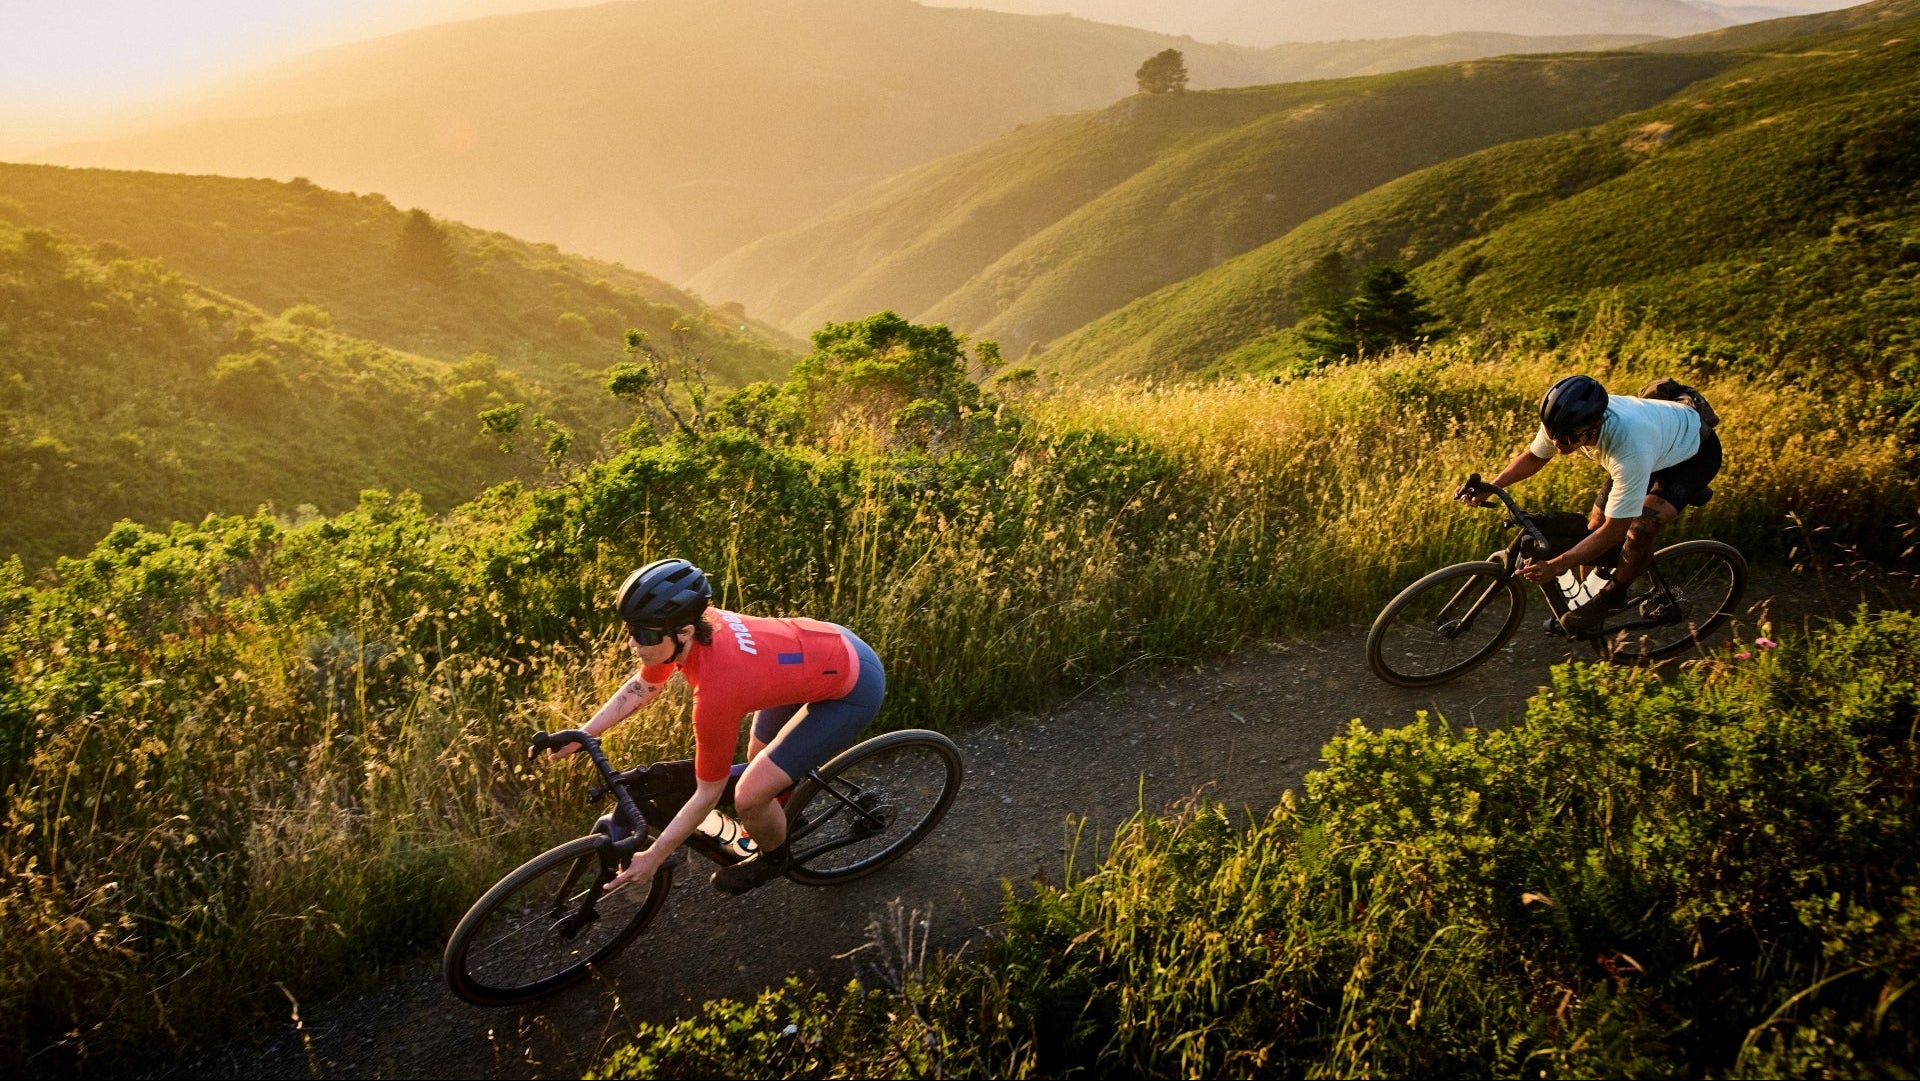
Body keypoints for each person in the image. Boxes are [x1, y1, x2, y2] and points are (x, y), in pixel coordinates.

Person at [549, 557, 885, 895]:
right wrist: (584, 734)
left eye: (644, 634)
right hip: (815, 653)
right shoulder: (686, 631)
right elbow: (645, 687)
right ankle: (786, 818)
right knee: (759, 763)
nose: (633, 644)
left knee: (750, 795)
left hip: (852, 687)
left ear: (685, 632)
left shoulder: (716, 692)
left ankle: (774, 858)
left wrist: (654, 856)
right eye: (631, 630)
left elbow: (708, 793)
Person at [1461, 374, 1722, 637]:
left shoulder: (1628, 445)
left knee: (1640, 528)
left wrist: (1556, 565)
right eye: (1553, 436)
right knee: (1594, 524)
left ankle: (1614, 594)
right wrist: (1491, 486)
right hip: (1656, 445)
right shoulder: (1561, 422)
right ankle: (1585, 600)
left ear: (1595, 425)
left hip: (1692, 456)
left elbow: (1615, 530)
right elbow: (1534, 457)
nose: (1558, 445)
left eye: (1569, 439)